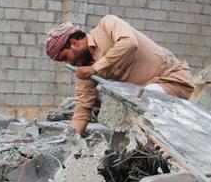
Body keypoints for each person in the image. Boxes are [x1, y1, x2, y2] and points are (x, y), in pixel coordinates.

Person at [45, 14, 194, 135]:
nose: (69, 64)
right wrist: (72, 137)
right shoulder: (85, 69)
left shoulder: (107, 25)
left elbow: (130, 43)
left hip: (172, 79)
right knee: (130, 110)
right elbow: (83, 108)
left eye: (65, 57)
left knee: (144, 102)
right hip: (141, 97)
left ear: (74, 43)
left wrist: (96, 68)